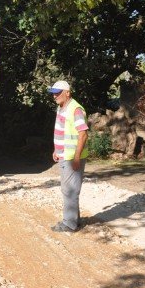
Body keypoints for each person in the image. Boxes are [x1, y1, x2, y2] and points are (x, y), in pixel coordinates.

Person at [48, 80, 88, 233]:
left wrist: (77, 157)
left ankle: (69, 225)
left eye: (57, 93)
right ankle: (74, 220)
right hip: (64, 154)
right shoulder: (62, 107)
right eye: (53, 93)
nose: (54, 96)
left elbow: (83, 134)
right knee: (69, 189)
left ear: (67, 93)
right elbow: (62, 131)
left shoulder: (75, 109)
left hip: (72, 157)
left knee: (69, 190)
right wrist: (56, 150)